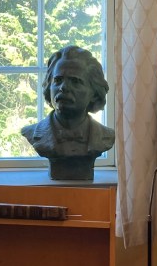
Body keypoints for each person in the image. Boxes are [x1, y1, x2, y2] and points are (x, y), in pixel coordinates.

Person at [21, 46, 115, 180]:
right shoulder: (32, 132)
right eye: (58, 80)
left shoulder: (106, 136)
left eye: (75, 81)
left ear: (94, 93)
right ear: (49, 86)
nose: (63, 87)